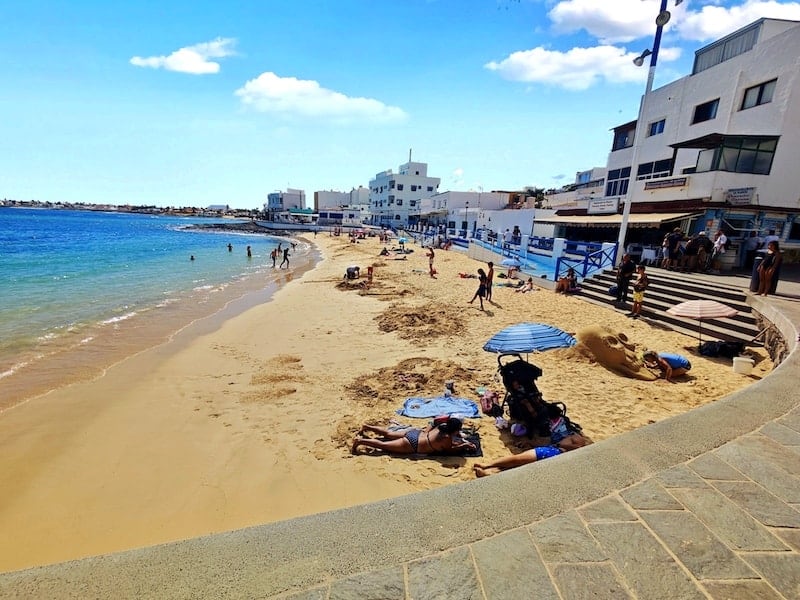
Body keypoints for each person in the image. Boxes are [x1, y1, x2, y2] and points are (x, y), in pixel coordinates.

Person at [352, 417, 475, 455]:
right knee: (383, 445)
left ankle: (366, 426)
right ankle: (360, 441)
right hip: (413, 444)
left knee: (388, 433)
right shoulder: (446, 438)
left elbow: (435, 422)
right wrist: (465, 445)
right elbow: (450, 449)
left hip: (415, 433)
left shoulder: (442, 426)